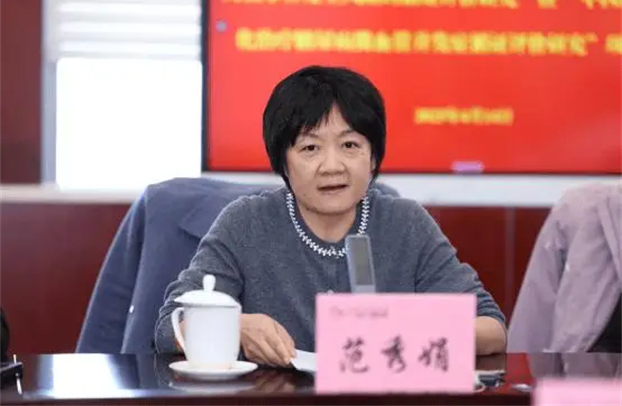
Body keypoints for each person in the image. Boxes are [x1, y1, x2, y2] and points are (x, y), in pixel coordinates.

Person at [154, 65, 506, 365]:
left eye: (350, 145)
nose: (332, 166)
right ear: (282, 162)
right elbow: (169, 327)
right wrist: (234, 327)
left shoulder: (406, 224)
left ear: (373, 157)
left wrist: (405, 332)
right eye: (310, 148)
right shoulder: (246, 223)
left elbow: (491, 328)